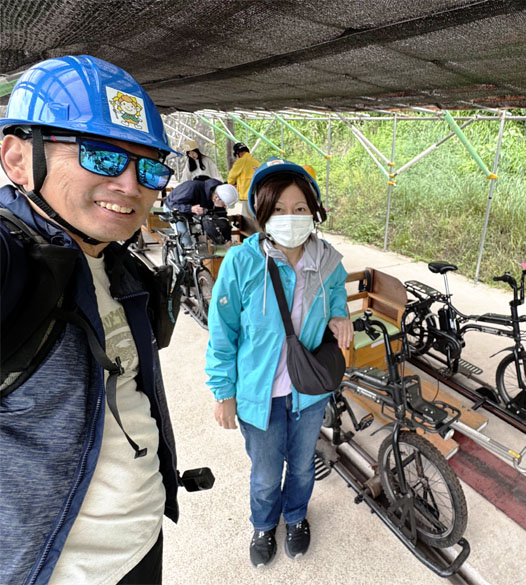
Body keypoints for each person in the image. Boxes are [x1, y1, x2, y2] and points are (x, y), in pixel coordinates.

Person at [0, 55, 181, 585]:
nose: (130, 186)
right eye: (102, 156)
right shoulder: (16, 262)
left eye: (149, 168)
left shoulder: (118, 264)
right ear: (17, 159)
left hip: (142, 536)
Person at [205, 158, 353, 568]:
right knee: (267, 473)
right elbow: (223, 332)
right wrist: (223, 392)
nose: (290, 217)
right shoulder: (242, 262)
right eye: (279, 209)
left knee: (302, 467)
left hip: (309, 391)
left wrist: (340, 314)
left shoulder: (327, 261)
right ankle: (264, 524)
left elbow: (336, 293)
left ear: (314, 211)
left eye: (300, 208)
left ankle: (297, 516)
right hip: (260, 394)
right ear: (263, 213)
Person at [164, 178, 234, 248]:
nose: (225, 207)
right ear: (216, 197)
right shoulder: (191, 188)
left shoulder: (220, 194)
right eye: (224, 205)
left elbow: (223, 219)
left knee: (203, 228)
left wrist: (228, 239)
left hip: (192, 210)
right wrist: (190, 209)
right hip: (173, 209)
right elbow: (172, 204)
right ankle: (184, 252)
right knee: (185, 236)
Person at [226, 142, 260, 220]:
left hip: (246, 194)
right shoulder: (256, 162)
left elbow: (232, 175)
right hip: (257, 194)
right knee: (256, 216)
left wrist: (230, 185)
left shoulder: (241, 161)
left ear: (238, 153)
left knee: (247, 218)